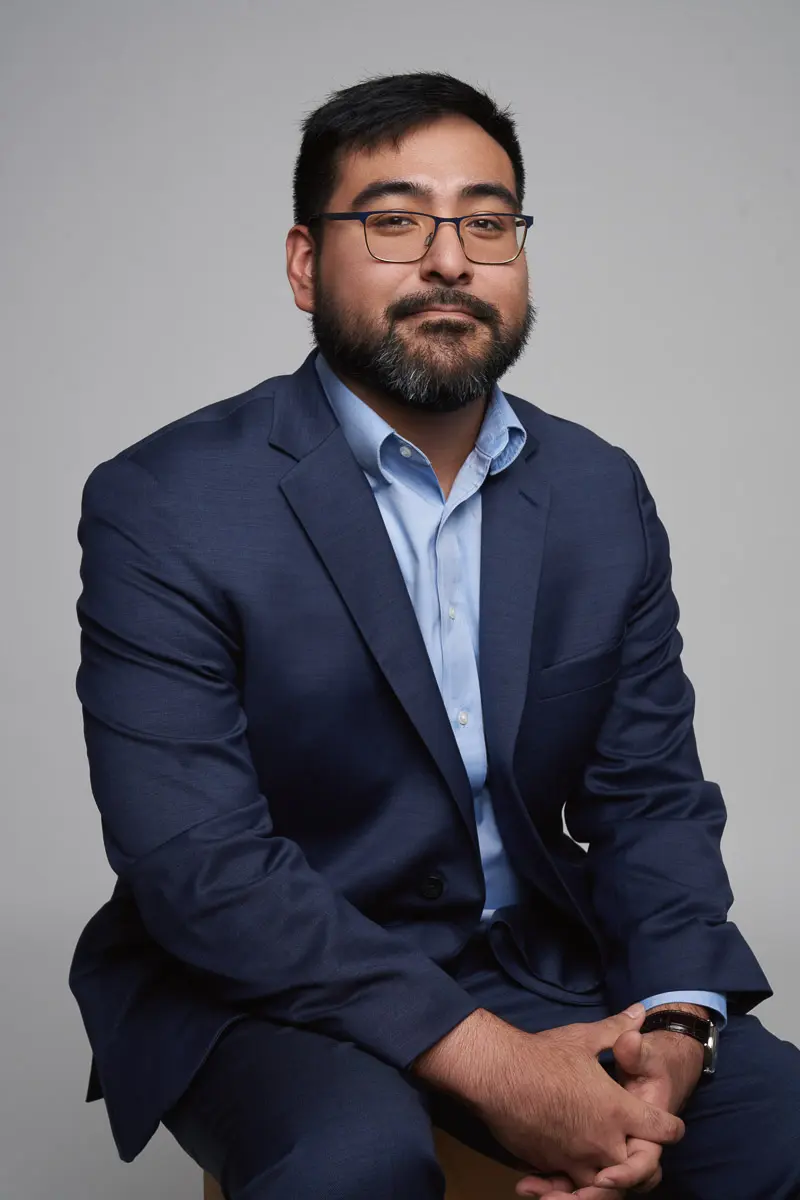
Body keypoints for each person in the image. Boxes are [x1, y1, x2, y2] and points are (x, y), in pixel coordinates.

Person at [69, 71, 800, 1199]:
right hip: (264, 985)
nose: (450, 259)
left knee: (782, 1132)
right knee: (350, 1165)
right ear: (306, 262)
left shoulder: (597, 491)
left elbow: (646, 799)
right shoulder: (167, 502)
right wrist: (498, 1069)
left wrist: (676, 1023)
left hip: (533, 964)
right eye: (396, 219)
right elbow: (199, 868)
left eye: (488, 222)